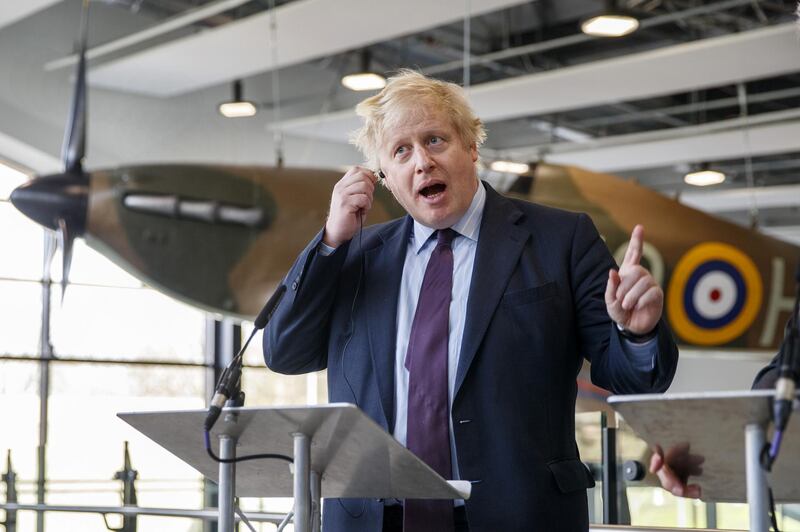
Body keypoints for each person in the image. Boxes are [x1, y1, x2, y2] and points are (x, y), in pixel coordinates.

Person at [264, 70, 679, 532]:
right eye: (401, 151)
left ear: (472, 147)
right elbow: (285, 352)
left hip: (519, 516)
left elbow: (632, 377)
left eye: (436, 140)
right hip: (373, 520)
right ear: (384, 177)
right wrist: (329, 243)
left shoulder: (561, 239)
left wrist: (636, 333)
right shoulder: (355, 254)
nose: (422, 162)